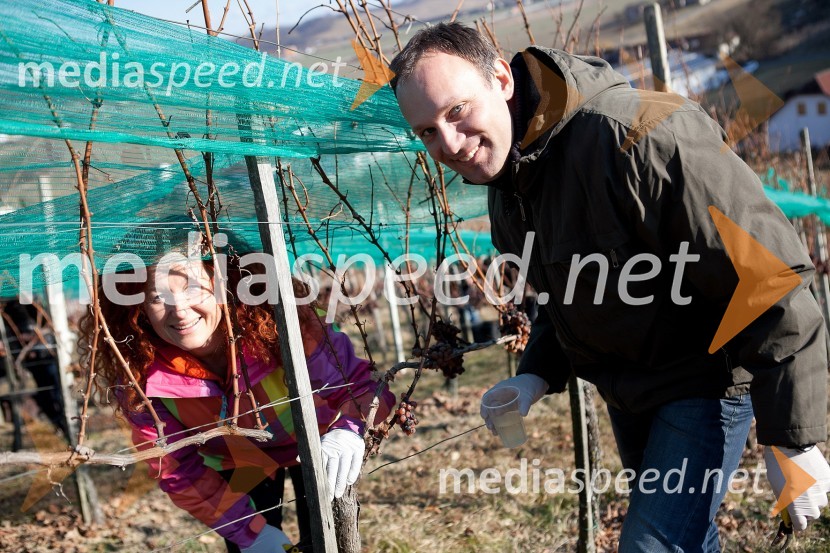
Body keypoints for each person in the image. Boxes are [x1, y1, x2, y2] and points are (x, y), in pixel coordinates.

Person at [390, 22, 830, 551]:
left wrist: (793, 441)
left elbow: (769, 276)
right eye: (427, 132)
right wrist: (534, 376)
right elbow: (570, 296)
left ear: (501, 79)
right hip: (630, 393)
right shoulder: (509, 188)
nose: (450, 144)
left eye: (456, 111)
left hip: (707, 377)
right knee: (687, 537)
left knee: (650, 545)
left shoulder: (640, 139)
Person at [80, 231, 394, 552]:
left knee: (325, 540)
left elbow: (360, 387)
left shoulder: (283, 325)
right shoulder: (143, 376)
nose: (180, 310)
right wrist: (250, 534)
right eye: (158, 297)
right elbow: (176, 468)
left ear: (222, 283)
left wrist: (349, 429)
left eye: (191, 287)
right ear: (139, 309)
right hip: (238, 462)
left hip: (315, 445)